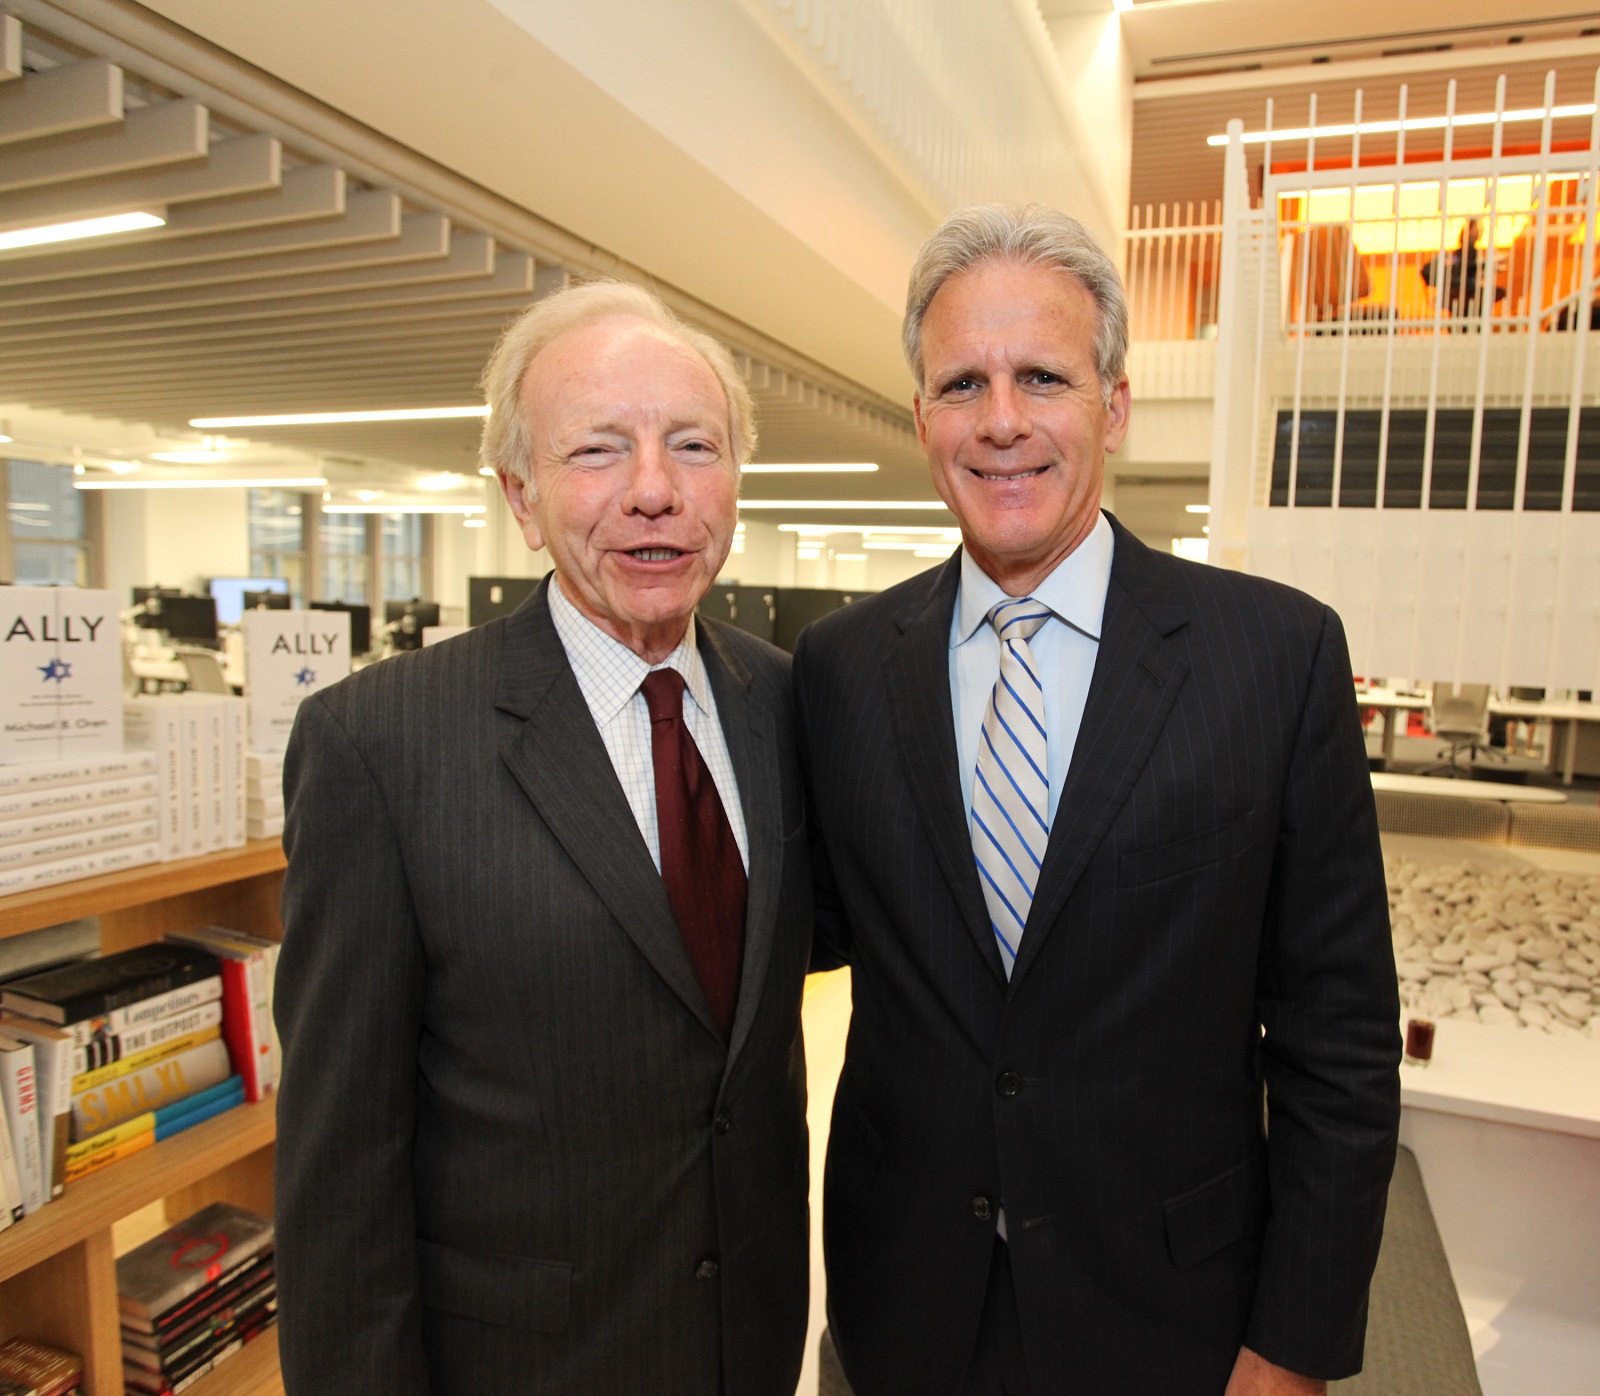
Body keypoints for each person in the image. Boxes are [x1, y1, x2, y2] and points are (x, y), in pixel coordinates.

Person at [794, 205, 1401, 1396]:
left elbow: (1339, 1042)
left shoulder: (1272, 657)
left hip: (1175, 1315)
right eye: (962, 382)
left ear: (1112, 406)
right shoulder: (840, 668)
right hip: (904, 1306)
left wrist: (1292, 1348)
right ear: (921, 417)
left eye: (1043, 377)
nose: (1002, 419)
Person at [274, 280, 812, 1396]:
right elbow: (339, 1168)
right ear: (520, 498)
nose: (654, 491)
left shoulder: (791, 709)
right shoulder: (380, 745)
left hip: (750, 1349)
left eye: (693, 446)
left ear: (736, 483)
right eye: (598, 451)